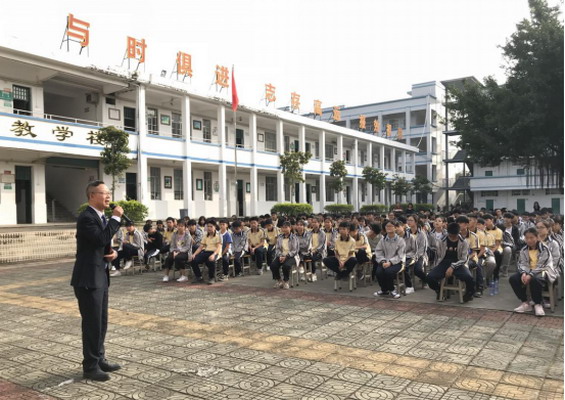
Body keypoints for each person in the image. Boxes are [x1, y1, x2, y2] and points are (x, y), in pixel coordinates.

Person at [71, 180, 123, 381]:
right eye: (104, 193)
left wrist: (113, 253)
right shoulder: (86, 217)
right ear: (92, 195)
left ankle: (99, 358)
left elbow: (101, 245)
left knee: (101, 322)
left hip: (100, 276)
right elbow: (101, 239)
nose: (108, 197)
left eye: (109, 193)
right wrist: (116, 219)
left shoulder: (100, 217)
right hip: (88, 279)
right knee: (92, 323)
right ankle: (90, 366)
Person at [510, 227, 557, 317]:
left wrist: (530, 275)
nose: (529, 240)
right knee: (513, 279)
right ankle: (525, 302)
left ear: (537, 237)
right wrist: (524, 273)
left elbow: (542, 265)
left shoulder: (544, 248)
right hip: (528, 271)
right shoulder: (524, 250)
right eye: (527, 238)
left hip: (543, 271)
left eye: (531, 238)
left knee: (535, 279)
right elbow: (522, 263)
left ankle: (537, 303)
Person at [427, 222, 475, 302]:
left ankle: (469, 294)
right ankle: (439, 290)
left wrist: (452, 267)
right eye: (450, 236)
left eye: (454, 236)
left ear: (458, 233)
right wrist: (435, 266)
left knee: (469, 277)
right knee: (430, 277)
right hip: (444, 262)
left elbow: (464, 259)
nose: (452, 238)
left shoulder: (464, 242)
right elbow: (438, 256)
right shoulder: (441, 241)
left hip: (459, 263)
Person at [373, 220, 406, 299]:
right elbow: (378, 251)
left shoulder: (400, 240)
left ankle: (392, 290)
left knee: (388, 272)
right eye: (387, 226)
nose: (389, 228)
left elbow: (400, 255)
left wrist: (391, 262)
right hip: (384, 261)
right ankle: (384, 290)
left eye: (391, 226)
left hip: (397, 262)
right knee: (378, 272)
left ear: (395, 228)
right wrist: (383, 261)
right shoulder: (382, 240)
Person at [191, 219, 222, 284]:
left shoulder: (218, 235)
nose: (209, 228)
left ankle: (211, 278)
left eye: (211, 226)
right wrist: (194, 254)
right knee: (193, 260)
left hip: (215, 252)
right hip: (206, 252)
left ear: (215, 227)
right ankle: (199, 277)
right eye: (208, 226)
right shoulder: (205, 235)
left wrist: (213, 255)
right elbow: (200, 247)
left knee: (210, 261)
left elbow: (219, 247)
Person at [404, 215, 428, 294]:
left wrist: (415, 257)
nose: (409, 222)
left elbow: (422, 249)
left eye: (411, 220)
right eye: (408, 220)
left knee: (417, 270)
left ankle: (427, 280)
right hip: (408, 254)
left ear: (416, 222)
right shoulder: (406, 232)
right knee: (402, 266)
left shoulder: (422, 234)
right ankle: (408, 285)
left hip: (420, 255)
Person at [271, 221, 299, 289]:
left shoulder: (294, 237)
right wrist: (280, 255)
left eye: (286, 227)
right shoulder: (280, 237)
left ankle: (286, 281)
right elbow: (277, 248)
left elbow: (295, 250)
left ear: (290, 228)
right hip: (281, 255)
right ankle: (279, 280)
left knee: (286, 266)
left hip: (291, 256)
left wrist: (286, 256)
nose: (284, 229)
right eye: (283, 228)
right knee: (273, 265)